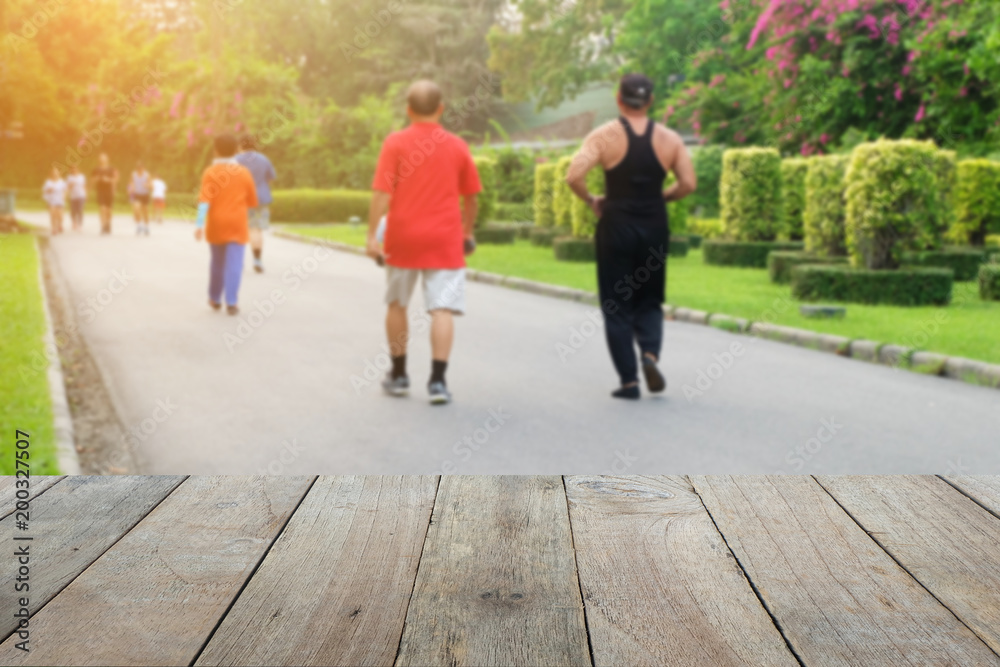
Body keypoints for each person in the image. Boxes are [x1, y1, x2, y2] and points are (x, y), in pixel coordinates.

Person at [566, 73, 696, 400]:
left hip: (617, 227)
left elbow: (574, 175)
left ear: (619, 100)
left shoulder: (604, 135)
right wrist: (660, 198)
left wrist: (591, 199)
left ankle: (629, 382)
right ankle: (650, 356)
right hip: (654, 227)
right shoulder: (670, 139)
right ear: (651, 101)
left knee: (617, 304)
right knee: (649, 300)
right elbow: (688, 184)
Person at [367, 80, 481, 405]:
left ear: (409, 110)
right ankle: (438, 383)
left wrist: (371, 236)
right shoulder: (458, 145)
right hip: (445, 240)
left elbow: (381, 194)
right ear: (441, 109)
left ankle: (400, 375)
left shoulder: (395, 142)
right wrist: (467, 232)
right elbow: (472, 197)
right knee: (441, 309)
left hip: (403, 238)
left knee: (397, 304)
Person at [194, 133, 258, 316]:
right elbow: (253, 202)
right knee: (235, 263)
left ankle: (214, 298)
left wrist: (199, 225)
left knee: (217, 262)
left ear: (215, 150)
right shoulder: (244, 172)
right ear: (236, 150)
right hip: (237, 224)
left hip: (216, 224)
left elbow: (204, 202)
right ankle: (232, 301)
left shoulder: (209, 172)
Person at [235, 134, 277, 273]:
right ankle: (257, 260)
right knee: (256, 229)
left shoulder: (236, 160)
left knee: (238, 231)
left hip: (241, 200)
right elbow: (271, 177)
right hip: (260, 199)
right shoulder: (263, 159)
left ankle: (238, 262)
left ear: (240, 146)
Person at [91, 153, 118, 235]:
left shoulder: (112, 169)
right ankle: (103, 226)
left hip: (109, 191)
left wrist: (108, 180)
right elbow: (92, 181)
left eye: (104, 158)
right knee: (102, 208)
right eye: (101, 158)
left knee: (108, 210)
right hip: (100, 191)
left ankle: (108, 223)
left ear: (107, 159)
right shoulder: (96, 169)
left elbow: (115, 180)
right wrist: (97, 179)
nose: (102, 160)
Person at [42, 167, 67, 235]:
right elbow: (45, 191)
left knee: (60, 215)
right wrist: (49, 190)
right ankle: (53, 228)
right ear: (51, 174)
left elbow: (65, 190)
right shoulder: (48, 182)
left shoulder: (61, 182)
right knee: (52, 215)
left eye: (56, 172)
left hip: (60, 200)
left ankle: (60, 225)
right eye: (53, 173)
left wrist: (64, 196)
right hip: (51, 200)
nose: (55, 174)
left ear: (58, 173)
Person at [130, 161, 153, 236]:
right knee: (136, 209)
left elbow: (152, 186)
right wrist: (131, 189)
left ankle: (146, 226)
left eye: (141, 168)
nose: (140, 170)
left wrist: (147, 185)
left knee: (145, 212)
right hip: (137, 195)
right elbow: (131, 183)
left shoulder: (147, 175)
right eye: (138, 169)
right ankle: (139, 225)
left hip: (145, 195)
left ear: (143, 168)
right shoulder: (133, 175)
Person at [66, 165, 87, 231]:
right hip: (73, 196)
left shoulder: (82, 177)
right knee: (73, 211)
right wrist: (71, 185)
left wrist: (86, 194)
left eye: (75, 169)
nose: (74, 170)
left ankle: (80, 224)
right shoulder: (69, 177)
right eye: (73, 169)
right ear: (71, 170)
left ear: (78, 169)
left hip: (81, 195)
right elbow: (68, 187)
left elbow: (84, 186)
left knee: (80, 210)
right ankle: (74, 222)